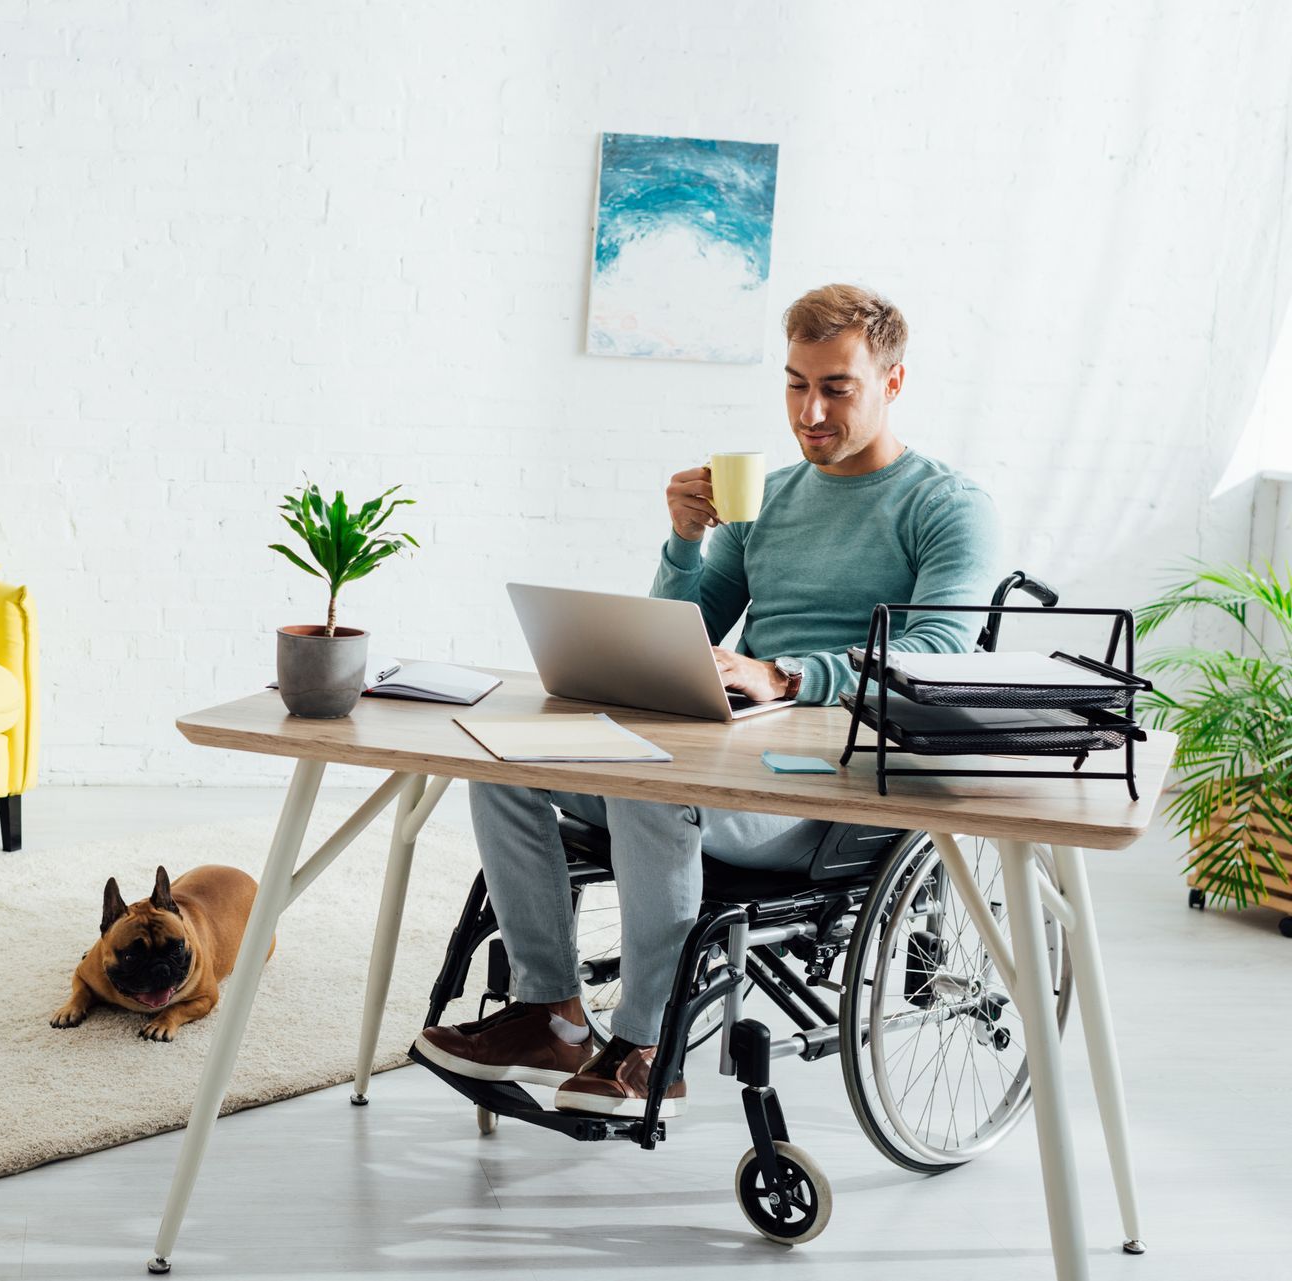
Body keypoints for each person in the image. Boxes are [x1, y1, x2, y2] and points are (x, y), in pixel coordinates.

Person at [415, 283, 1001, 1118]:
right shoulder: (772, 499)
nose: (811, 410)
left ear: (894, 383)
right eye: (797, 382)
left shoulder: (947, 505)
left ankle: (648, 1043)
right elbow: (678, 634)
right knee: (504, 763)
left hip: (834, 793)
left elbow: (938, 655)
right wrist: (686, 538)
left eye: (837, 386)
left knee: (654, 787)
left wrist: (789, 674)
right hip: (735, 757)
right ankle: (551, 1013)